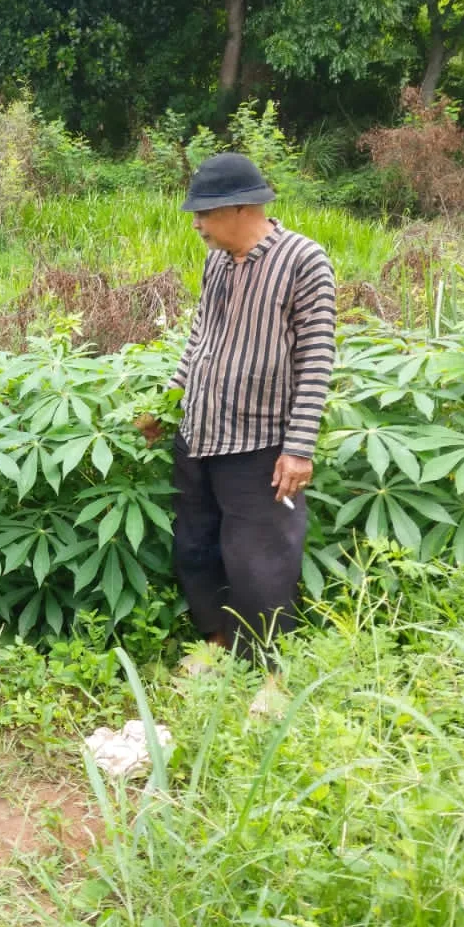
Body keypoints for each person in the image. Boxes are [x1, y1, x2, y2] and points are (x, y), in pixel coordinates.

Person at [145, 152, 336, 662]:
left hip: (260, 439)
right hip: (200, 429)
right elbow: (200, 338)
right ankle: (217, 645)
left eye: (204, 212)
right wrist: (167, 403)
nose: (197, 223)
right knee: (196, 544)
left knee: (261, 559)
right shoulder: (215, 263)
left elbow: (318, 358)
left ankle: (271, 671)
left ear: (238, 208)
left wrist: (298, 448)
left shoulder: (303, 260)